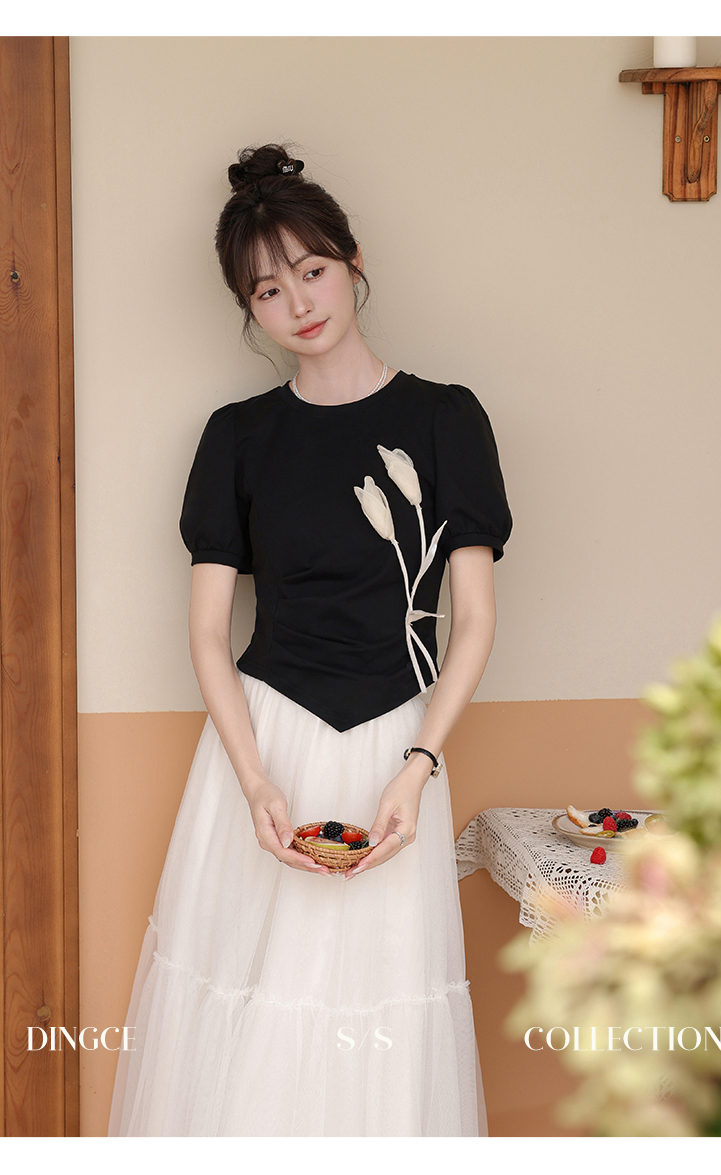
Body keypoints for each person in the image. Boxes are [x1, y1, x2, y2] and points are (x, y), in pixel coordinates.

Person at [108, 143, 512, 1137]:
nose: (298, 301)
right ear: (250, 311)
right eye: (267, 289)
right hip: (266, 745)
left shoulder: (446, 418)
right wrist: (253, 780)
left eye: (312, 270)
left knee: (381, 1009)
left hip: (398, 749)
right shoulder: (237, 437)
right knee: (251, 1017)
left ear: (353, 260)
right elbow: (208, 633)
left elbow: (474, 618)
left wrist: (418, 765)